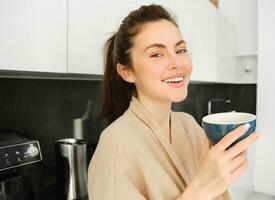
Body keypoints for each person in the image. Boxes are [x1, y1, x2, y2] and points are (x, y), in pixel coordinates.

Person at [88, 4, 259, 200]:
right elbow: (204, 189)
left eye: (180, 50)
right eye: (157, 54)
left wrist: (222, 172)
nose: (177, 63)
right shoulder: (115, 145)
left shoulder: (188, 125)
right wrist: (201, 189)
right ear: (127, 72)